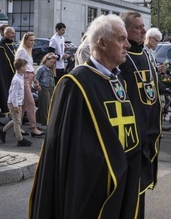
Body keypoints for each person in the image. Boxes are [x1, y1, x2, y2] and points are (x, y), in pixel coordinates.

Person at [29, 14, 142, 218]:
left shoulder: (118, 81)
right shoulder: (75, 83)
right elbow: (68, 149)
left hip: (123, 176)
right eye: (121, 39)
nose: (128, 45)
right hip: (91, 186)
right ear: (102, 43)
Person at [118, 11, 162, 215]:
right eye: (138, 27)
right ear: (124, 30)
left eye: (143, 26)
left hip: (147, 132)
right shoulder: (120, 58)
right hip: (130, 136)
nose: (143, 30)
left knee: (139, 193)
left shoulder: (144, 53)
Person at [0, 58, 32, 147]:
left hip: (18, 102)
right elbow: (14, 94)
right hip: (14, 103)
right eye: (25, 66)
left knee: (16, 120)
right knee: (17, 122)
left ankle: (3, 131)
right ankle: (20, 139)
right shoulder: (17, 79)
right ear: (21, 68)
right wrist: (15, 105)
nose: (26, 68)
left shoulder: (20, 77)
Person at [15, 32, 44, 137]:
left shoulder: (27, 50)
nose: (33, 42)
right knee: (30, 103)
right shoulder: (22, 50)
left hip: (28, 77)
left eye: (33, 40)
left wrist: (35, 80)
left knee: (23, 105)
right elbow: (19, 67)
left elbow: (30, 67)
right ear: (25, 40)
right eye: (30, 40)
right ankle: (33, 127)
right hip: (24, 78)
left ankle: (17, 127)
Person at [0, 26, 16, 126]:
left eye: (14, 33)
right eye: (11, 33)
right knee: (0, 94)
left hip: (11, 75)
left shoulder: (10, 45)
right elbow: (0, 65)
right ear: (5, 34)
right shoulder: (1, 47)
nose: (13, 35)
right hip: (3, 75)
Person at [35, 52, 57, 127]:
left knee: (48, 104)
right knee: (45, 105)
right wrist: (36, 86)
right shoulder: (41, 69)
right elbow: (36, 78)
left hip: (50, 88)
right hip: (44, 88)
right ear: (46, 60)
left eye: (53, 63)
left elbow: (52, 80)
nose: (52, 64)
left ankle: (37, 118)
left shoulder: (51, 69)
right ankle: (45, 122)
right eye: (50, 62)